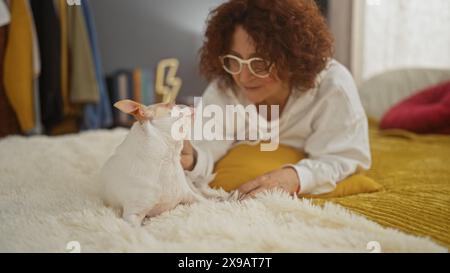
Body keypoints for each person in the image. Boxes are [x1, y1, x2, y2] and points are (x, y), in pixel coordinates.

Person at [180, 0, 371, 198]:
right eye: (234, 60)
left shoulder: (332, 87)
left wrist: (295, 177)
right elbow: (207, 149)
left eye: (260, 63)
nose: (243, 77)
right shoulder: (225, 86)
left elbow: (345, 156)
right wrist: (192, 158)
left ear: (291, 58)